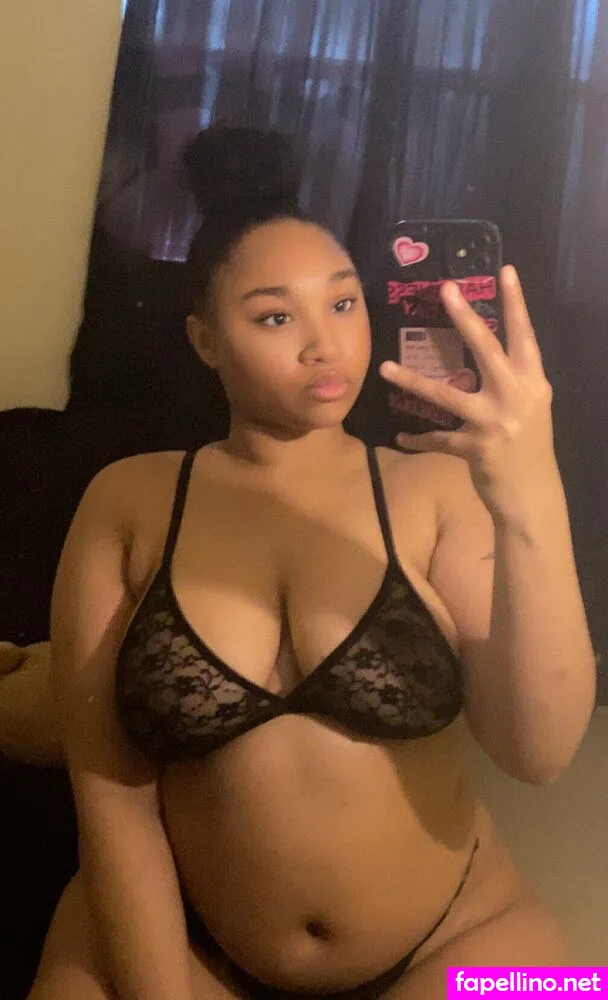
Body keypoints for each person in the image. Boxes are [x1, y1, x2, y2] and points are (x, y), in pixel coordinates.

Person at [27, 125, 596, 1000]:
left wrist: (531, 490)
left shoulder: (437, 489)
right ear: (205, 339)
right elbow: (111, 799)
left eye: (344, 303)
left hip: (467, 941)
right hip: (190, 945)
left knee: (576, 988)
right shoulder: (129, 500)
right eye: (275, 316)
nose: (325, 344)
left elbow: (540, 753)